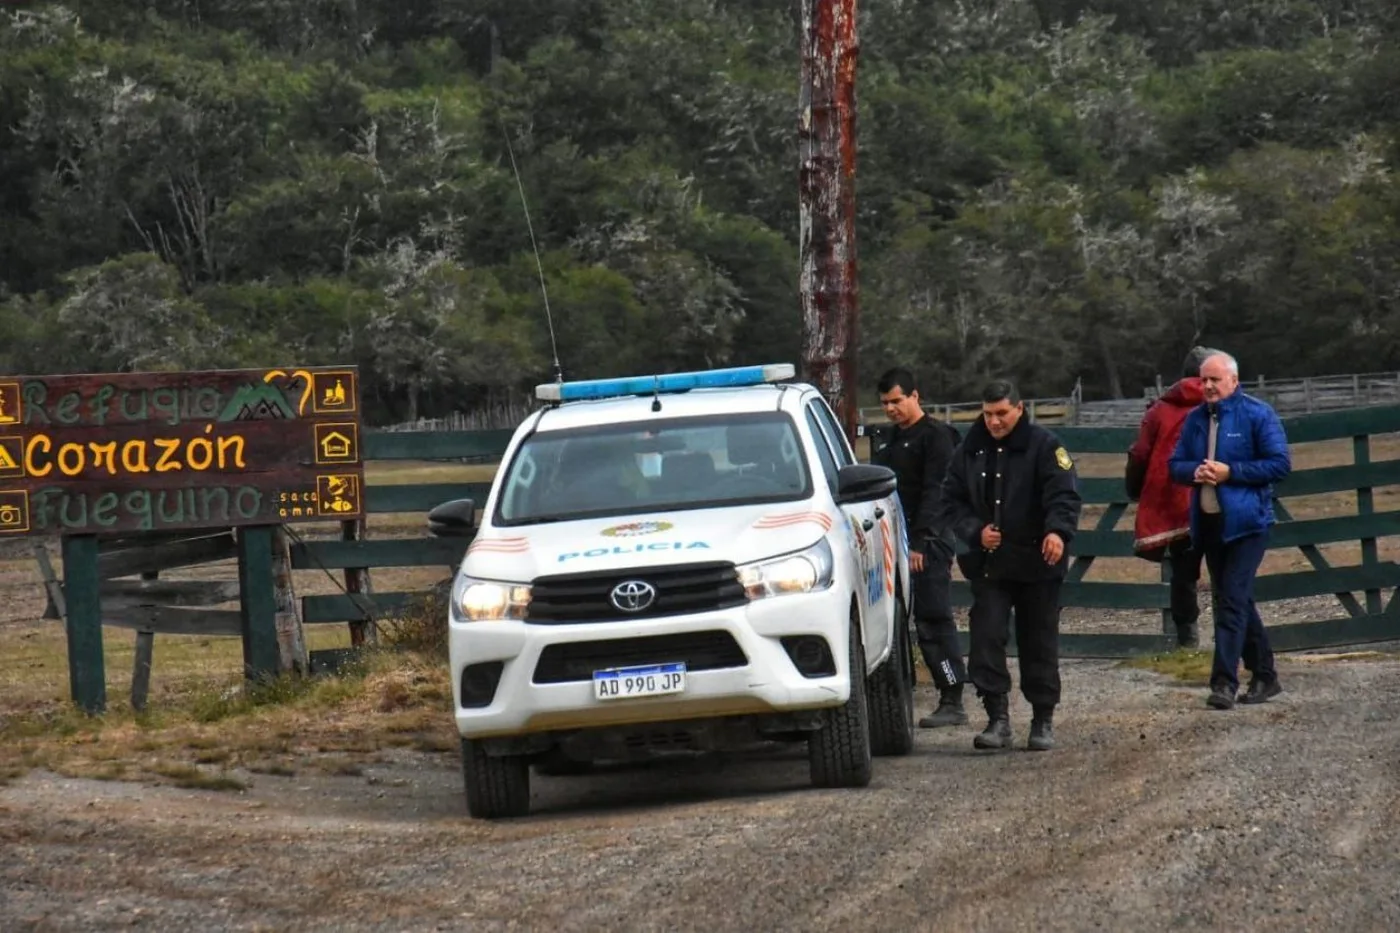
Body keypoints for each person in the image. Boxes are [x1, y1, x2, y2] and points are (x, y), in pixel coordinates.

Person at [939, 379, 1082, 751]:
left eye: (1002, 413)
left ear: (1019, 408)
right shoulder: (969, 450)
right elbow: (951, 500)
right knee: (986, 636)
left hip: (1038, 561)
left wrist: (1058, 532)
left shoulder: (1045, 446)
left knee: (1039, 640)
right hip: (991, 565)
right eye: (987, 414)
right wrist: (974, 532)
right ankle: (997, 717)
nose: (995, 421)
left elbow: (1064, 495)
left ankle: (1042, 718)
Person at [1169, 351, 1290, 709]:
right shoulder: (1194, 420)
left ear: (1233, 381)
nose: (1207, 386)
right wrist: (1196, 471)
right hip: (1209, 524)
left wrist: (1230, 472)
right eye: (1203, 380)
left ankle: (1223, 681)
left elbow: (1279, 463)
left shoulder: (1257, 414)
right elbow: (1174, 464)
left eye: (1214, 380)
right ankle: (1266, 675)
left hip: (1248, 524)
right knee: (1235, 599)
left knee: (1230, 600)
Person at [873, 367, 968, 727]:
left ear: (916, 397)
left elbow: (938, 491)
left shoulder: (937, 437)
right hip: (894, 541)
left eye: (897, 401)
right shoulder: (891, 440)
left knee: (933, 617)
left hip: (927, 542)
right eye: (885, 403)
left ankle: (952, 694)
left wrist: (921, 542)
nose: (891, 409)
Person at [1125, 346, 1216, 649]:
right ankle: (1234, 636)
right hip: (1220, 496)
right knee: (1227, 567)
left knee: (1184, 573)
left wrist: (1136, 488)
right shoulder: (1225, 400)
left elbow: (1140, 454)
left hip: (1178, 504)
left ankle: (1188, 637)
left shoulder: (1160, 410)